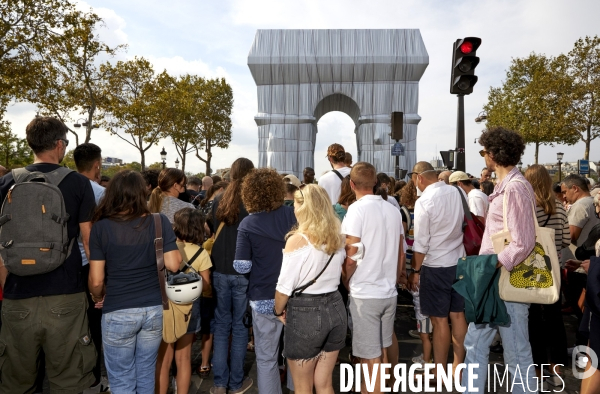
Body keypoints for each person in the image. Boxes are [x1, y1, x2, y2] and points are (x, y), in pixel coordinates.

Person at [0, 117, 97, 393]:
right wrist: (96, 288)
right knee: (68, 380)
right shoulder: (78, 183)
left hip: (17, 294)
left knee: (15, 383)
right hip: (66, 292)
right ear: (58, 145)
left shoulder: (7, 182)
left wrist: (7, 285)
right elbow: (88, 241)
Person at [88, 170, 181, 393]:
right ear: (142, 193)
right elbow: (174, 265)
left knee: (121, 379)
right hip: (153, 308)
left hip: (118, 309)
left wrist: (97, 296)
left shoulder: (101, 228)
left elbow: (97, 280)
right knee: (146, 371)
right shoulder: (159, 222)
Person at [462, 126, 538, 393]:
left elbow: (523, 241)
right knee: (475, 344)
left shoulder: (515, 188)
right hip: (495, 281)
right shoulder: (507, 186)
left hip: (505, 280)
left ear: (493, 154)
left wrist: (491, 264)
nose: (483, 156)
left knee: (516, 352)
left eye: (484, 151)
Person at [273, 185, 347, 394]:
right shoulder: (338, 237)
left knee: (303, 388)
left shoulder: (298, 240)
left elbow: (283, 288)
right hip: (335, 306)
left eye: (296, 204)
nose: (293, 209)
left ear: (305, 207)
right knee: (324, 384)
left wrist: (278, 310)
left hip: (306, 312)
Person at [341, 162, 405, 394]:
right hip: (388, 291)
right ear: (376, 182)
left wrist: (346, 281)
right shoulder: (392, 209)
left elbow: (351, 254)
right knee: (382, 349)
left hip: (365, 293)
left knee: (370, 359)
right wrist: (395, 280)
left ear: (351, 184)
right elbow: (400, 252)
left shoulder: (356, 210)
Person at [234, 168, 297, 394]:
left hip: (264, 295)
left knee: (266, 358)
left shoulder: (248, 225)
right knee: (295, 354)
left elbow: (242, 265)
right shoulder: (293, 216)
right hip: (293, 296)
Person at [407, 161, 467, 377]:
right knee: (458, 315)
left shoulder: (425, 201)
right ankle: (457, 368)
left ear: (419, 178)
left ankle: (440, 371)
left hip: (436, 265)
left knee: (440, 320)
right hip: (459, 261)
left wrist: (415, 271)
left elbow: (421, 244)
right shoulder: (457, 192)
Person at [209, 158, 255, 394]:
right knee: (239, 327)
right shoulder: (252, 202)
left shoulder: (219, 199)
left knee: (221, 325)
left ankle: (219, 383)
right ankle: (236, 382)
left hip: (219, 269)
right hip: (244, 272)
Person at [155, 208, 212, 394]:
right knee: (184, 358)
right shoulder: (201, 253)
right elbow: (206, 286)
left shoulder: (165, 248)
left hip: (166, 305)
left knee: (164, 358)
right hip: (190, 307)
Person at [524, 165, 569, 386]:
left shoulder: (530, 206)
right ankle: (557, 365)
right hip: (555, 268)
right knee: (554, 317)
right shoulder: (560, 207)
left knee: (533, 318)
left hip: (534, 268)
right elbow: (566, 240)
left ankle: (539, 368)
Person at [73, 143, 109, 392]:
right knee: (93, 326)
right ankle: (93, 380)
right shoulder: (99, 192)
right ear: (97, 165)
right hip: (90, 264)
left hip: (65, 264)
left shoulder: (64, 185)